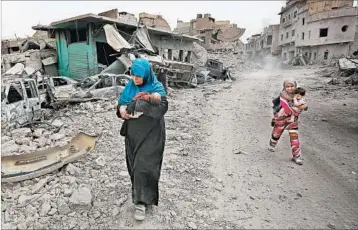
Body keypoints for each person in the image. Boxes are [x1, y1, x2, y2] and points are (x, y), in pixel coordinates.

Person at [116, 58, 168, 221]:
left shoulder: (156, 88)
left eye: (139, 76)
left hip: (152, 135)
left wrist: (142, 103)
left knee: (144, 166)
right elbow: (120, 106)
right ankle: (142, 194)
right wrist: (121, 111)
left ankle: (141, 203)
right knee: (134, 165)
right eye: (133, 76)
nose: (136, 79)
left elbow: (161, 107)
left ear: (146, 74)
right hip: (133, 135)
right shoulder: (130, 87)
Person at [269, 79, 307, 165]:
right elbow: (286, 107)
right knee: (276, 134)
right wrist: (296, 110)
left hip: (293, 121)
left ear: (295, 86)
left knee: (294, 137)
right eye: (287, 86)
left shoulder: (298, 95)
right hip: (281, 119)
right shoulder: (283, 96)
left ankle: (296, 156)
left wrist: (303, 107)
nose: (290, 88)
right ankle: (272, 143)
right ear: (284, 87)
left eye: (292, 86)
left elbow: (304, 105)